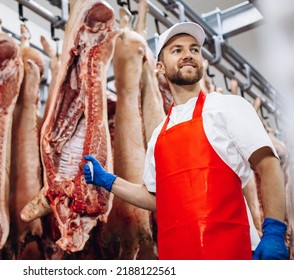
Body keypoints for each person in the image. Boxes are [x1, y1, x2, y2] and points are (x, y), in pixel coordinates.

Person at [83, 22, 289, 260]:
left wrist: (274, 230)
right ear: (159, 67)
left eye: (194, 49)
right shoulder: (159, 135)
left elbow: (268, 163)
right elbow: (157, 199)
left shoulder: (227, 107)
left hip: (234, 252)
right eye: (177, 50)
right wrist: (109, 181)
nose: (188, 55)